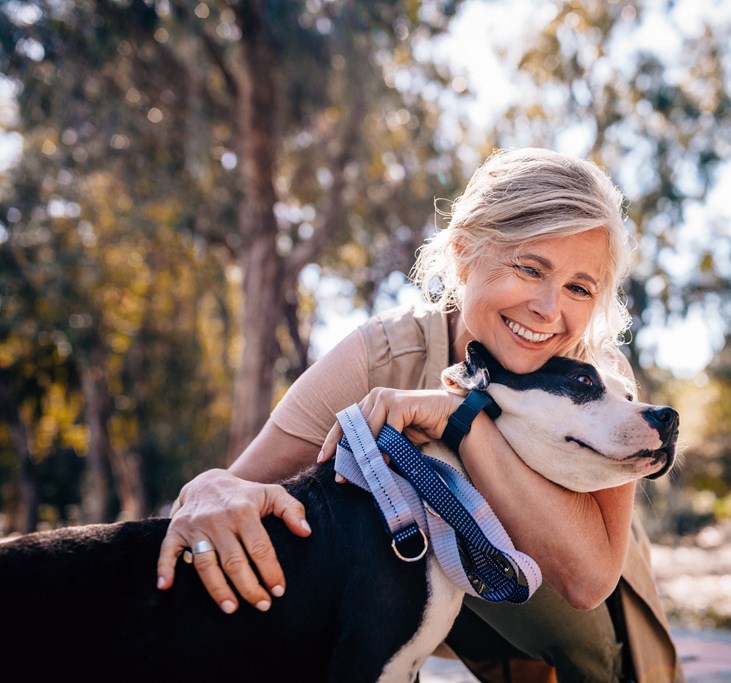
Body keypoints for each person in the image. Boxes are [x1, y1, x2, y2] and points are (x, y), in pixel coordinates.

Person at [156, 147, 684, 683]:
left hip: (569, 623)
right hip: (413, 587)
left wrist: (461, 419)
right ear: (463, 253)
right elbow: (236, 488)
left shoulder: (602, 379)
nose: (549, 310)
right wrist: (208, 490)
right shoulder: (384, 354)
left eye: (578, 287)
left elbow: (588, 580)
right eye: (530, 268)